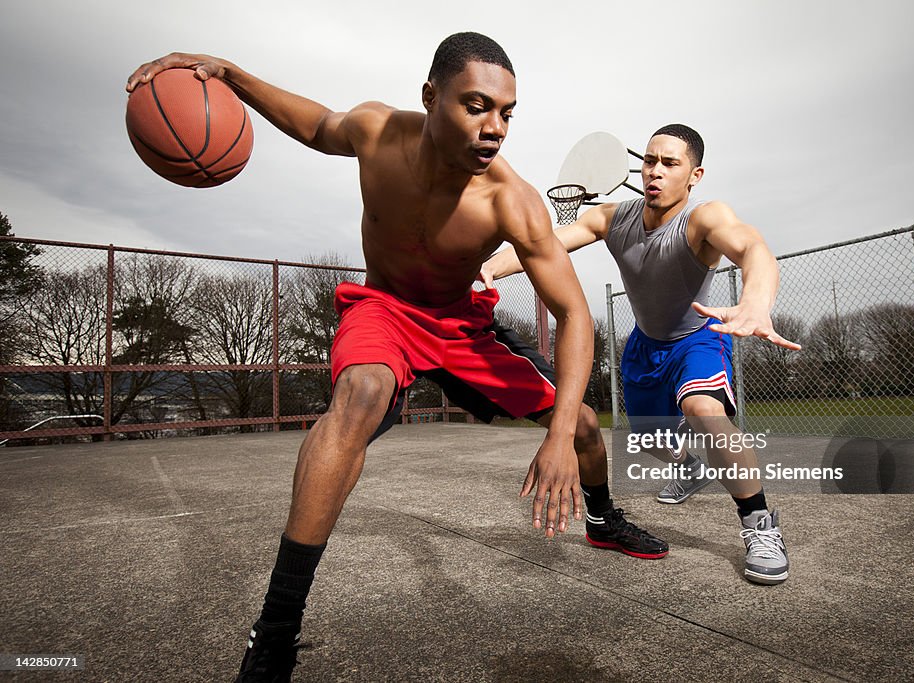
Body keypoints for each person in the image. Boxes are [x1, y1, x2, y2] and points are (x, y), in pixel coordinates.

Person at [127, 33, 667, 682]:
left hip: (462, 330)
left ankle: (604, 520)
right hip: (383, 312)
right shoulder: (377, 131)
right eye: (476, 105)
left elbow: (576, 315)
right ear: (430, 97)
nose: (494, 127)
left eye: (506, 112)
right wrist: (230, 74)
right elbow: (316, 124)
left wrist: (555, 435)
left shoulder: (510, 199)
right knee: (355, 402)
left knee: (580, 425)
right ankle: (274, 633)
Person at [481, 124, 801, 586]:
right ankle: (689, 468)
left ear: (695, 175)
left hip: (696, 339)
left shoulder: (703, 219)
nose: (656, 171)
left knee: (705, 412)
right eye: (650, 160)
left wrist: (756, 301)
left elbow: (751, 246)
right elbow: (544, 245)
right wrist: (493, 265)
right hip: (644, 347)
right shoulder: (614, 219)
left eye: (670, 163)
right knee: (650, 444)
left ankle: (759, 524)